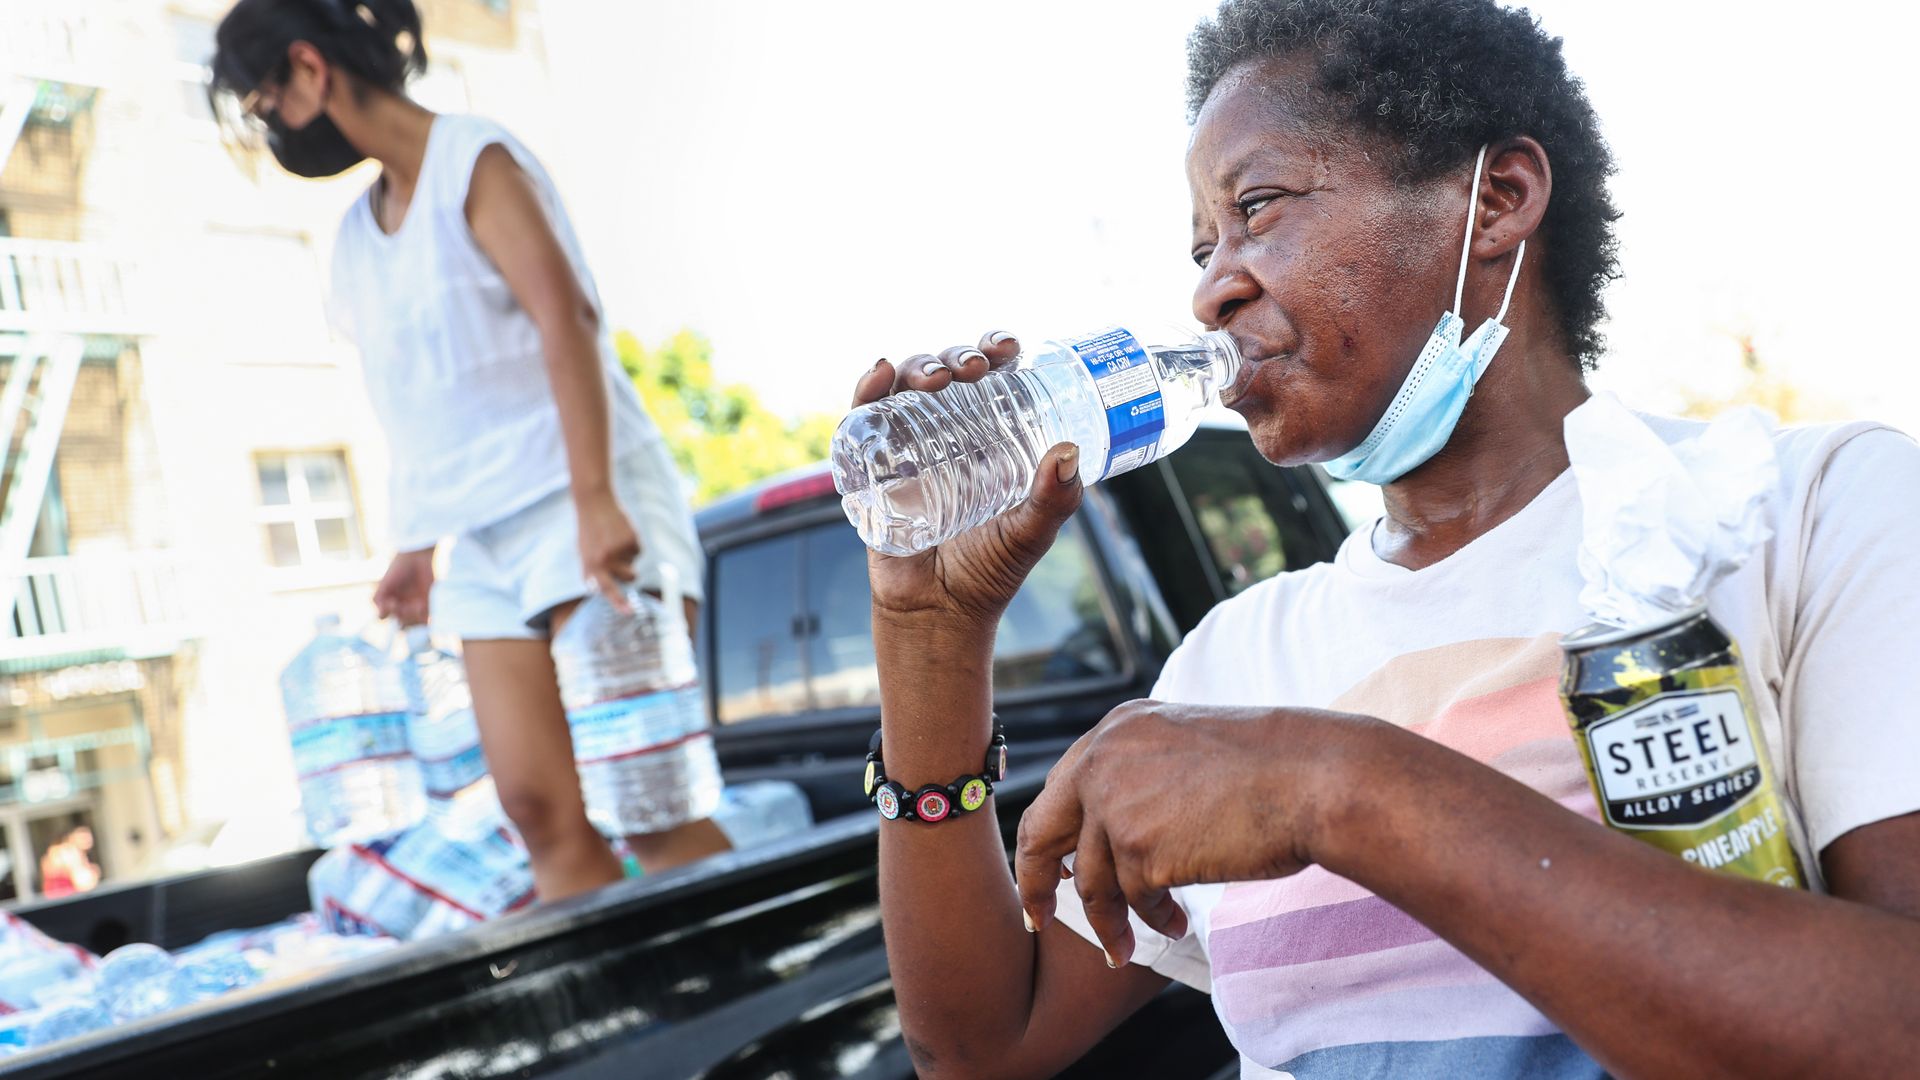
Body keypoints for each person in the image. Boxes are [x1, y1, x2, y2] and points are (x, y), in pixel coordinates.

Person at [853, 1, 1920, 1076]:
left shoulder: (1808, 511)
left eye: (1259, 206)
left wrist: (1331, 789)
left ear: (1496, 201)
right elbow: (982, 1046)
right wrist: (930, 646)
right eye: (1202, 246)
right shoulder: (1236, 665)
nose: (1212, 287)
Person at [208, 0, 729, 900]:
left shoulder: (472, 161)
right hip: (484, 544)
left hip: (585, 498)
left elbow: (566, 319)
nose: (274, 131)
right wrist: (414, 548)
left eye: (265, 105)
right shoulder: (356, 238)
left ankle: (767, 1005)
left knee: (648, 801)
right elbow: (414, 406)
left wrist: (598, 498)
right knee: (535, 808)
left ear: (309, 68)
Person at [39, 826, 101, 899]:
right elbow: (82, 883)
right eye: (83, 837)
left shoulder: (75, 853)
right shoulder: (67, 852)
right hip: (64, 897)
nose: (88, 840)